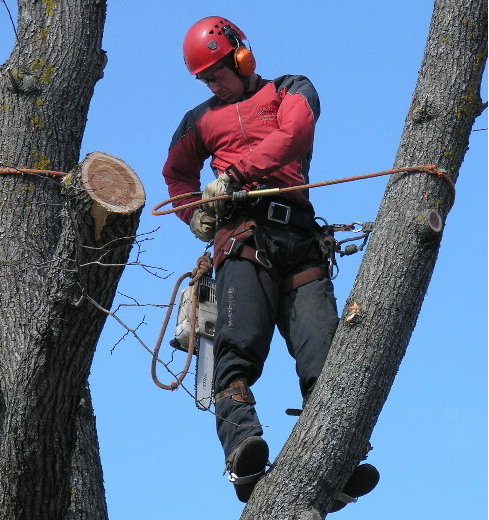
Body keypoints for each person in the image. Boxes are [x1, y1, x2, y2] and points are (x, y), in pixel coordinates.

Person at [162, 16, 379, 506]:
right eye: (205, 79)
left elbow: (295, 135)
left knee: (325, 356)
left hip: (298, 239)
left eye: (218, 71)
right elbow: (175, 174)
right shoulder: (197, 121)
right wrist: (194, 214)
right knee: (239, 346)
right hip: (242, 238)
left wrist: (234, 173)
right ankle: (242, 448)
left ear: (242, 56)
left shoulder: (291, 89)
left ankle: (340, 456)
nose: (213, 83)